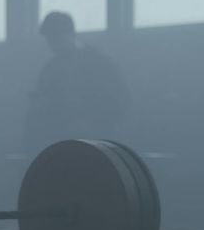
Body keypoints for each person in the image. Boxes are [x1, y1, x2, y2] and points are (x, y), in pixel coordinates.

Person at [23, 11, 129, 154]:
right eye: (50, 39)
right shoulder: (51, 68)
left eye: (56, 37)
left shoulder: (99, 63)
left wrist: (91, 122)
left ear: (68, 34)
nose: (52, 44)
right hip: (59, 140)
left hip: (97, 140)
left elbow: (119, 98)